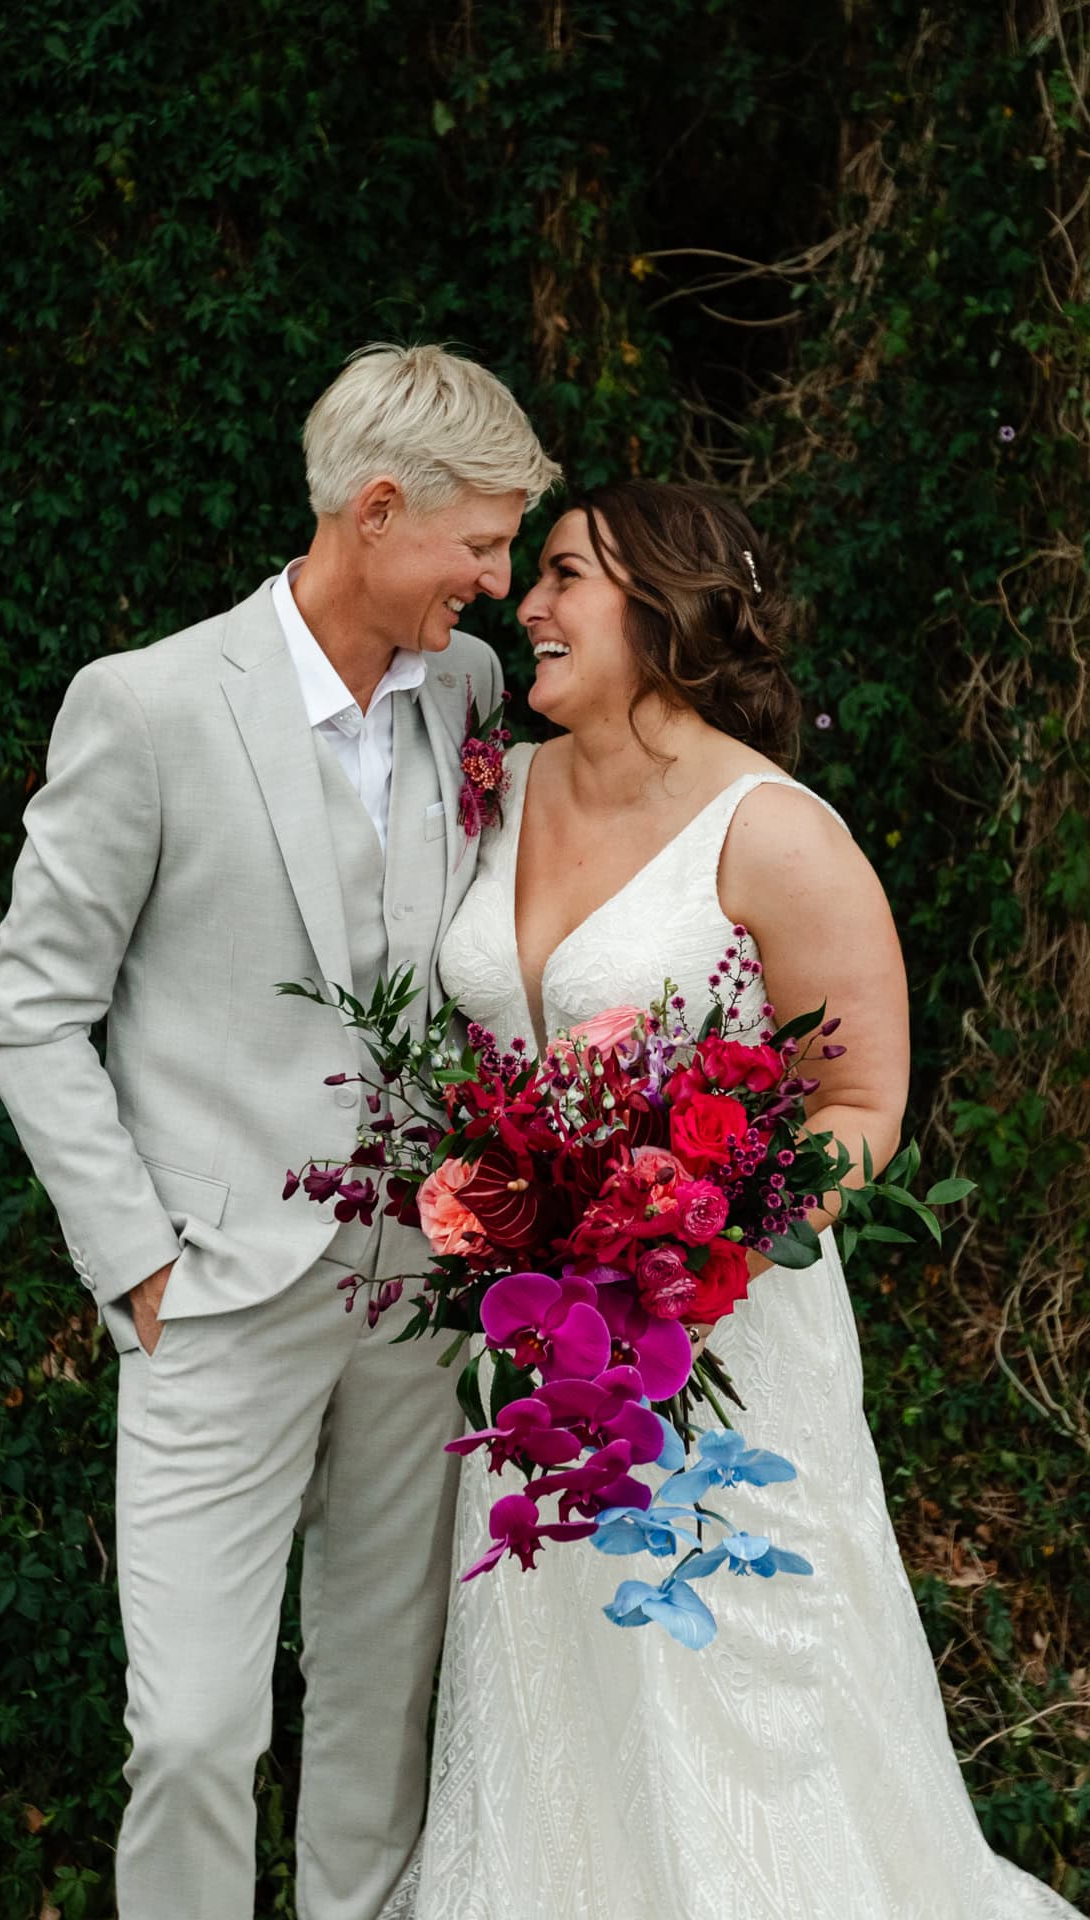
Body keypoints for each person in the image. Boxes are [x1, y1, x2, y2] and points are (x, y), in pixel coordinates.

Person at [383, 479, 1075, 1919]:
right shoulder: (497, 791)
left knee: (738, 1704)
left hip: (721, 1351)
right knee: (561, 1706)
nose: (531, 607)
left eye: (564, 575)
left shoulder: (771, 830)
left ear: (663, 602)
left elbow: (866, 1101)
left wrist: (709, 1237)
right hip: (533, 1352)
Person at [0, 343, 560, 1920]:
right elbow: (28, 1010)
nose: (499, 585)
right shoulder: (150, 706)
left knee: (378, 1726)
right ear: (378, 511)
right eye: (480, 545)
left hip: (417, 1303)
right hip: (215, 1298)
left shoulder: (472, 696)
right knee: (191, 1733)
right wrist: (139, 1263)